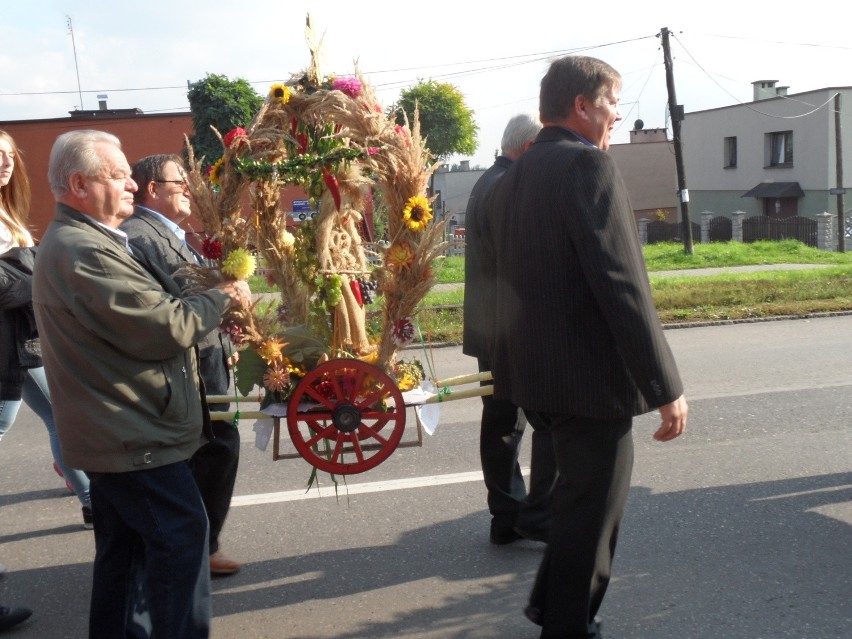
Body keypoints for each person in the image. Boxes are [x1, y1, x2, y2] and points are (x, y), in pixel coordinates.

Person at [487, 56, 688, 638]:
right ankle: (569, 627)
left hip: (537, 378)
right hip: (590, 385)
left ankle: (550, 608)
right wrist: (665, 387)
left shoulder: (516, 173)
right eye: (611, 102)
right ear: (581, 105)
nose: (617, 115)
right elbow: (621, 284)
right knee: (593, 515)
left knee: (577, 506)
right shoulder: (588, 168)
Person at [32, 130, 251, 638]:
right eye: (118, 174)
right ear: (78, 184)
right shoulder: (83, 249)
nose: (133, 183)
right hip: (132, 433)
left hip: (120, 429)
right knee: (180, 539)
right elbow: (163, 327)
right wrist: (224, 297)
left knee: (127, 553)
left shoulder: (89, 239)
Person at [122, 153, 241, 576]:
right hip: (189, 356)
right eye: (179, 182)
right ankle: (199, 547)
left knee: (215, 445)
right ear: (152, 189)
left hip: (207, 349)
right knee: (214, 446)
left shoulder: (167, 231)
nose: (188, 189)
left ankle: (198, 543)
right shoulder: (143, 234)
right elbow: (183, 298)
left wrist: (228, 337)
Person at [462, 114, 557, 545]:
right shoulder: (511, 187)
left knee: (502, 422)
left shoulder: (487, 182)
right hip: (514, 329)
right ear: (528, 149)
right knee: (552, 421)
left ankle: (507, 516)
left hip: (491, 325)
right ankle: (536, 515)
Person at [0, 129, 92, 528]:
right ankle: (92, 499)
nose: (6, 163)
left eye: (8, 155)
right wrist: (37, 266)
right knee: (43, 416)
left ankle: (90, 498)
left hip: (24, 336)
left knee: (56, 414)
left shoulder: (6, 210)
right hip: (7, 340)